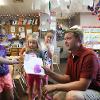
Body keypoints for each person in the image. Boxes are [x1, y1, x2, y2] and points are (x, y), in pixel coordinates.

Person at [42, 26, 100, 100]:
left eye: (69, 38)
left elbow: (83, 85)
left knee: (72, 95)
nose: (65, 41)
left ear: (79, 39)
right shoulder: (71, 55)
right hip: (80, 89)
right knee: (57, 97)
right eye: (65, 39)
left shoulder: (89, 56)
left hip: (95, 90)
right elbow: (67, 78)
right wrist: (50, 73)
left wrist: (55, 86)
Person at [19, 34, 43, 100]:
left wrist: (43, 73)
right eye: (30, 42)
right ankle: (30, 98)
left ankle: (40, 98)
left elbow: (43, 62)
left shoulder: (40, 52)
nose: (31, 44)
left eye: (34, 43)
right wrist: (24, 71)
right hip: (29, 73)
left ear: (37, 43)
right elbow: (26, 62)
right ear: (28, 43)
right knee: (30, 87)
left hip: (38, 73)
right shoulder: (27, 51)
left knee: (38, 87)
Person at [0, 34, 19, 100]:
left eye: (2, 36)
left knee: (10, 96)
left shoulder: (2, 47)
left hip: (6, 74)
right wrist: (12, 62)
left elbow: (4, 58)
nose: (1, 37)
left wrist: (11, 59)